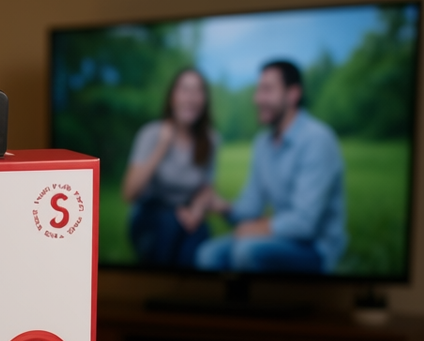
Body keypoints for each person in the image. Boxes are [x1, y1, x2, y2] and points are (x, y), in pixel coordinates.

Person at [195, 60, 347, 273]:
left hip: (315, 248)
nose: (257, 99)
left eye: (267, 90)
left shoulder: (318, 139)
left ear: (293, 94)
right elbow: (252, 205)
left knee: (247, 250)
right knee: (207, 254)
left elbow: (305, 224)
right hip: (279, 237)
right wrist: (224, 206)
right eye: (258, 90)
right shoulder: (262, 143)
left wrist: (257, 228)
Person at [122, 67, 220, 266]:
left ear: (204, 100)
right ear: (172, 97)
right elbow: (129, 193)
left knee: (199, 239)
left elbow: (206, 187)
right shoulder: (151, 133)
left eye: (197, 91)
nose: (191, 98)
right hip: (150, 214)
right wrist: (161, 147)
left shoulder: (211, 139)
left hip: (187, 214)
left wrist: (197, 211)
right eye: (185, 90)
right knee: (170, 225)